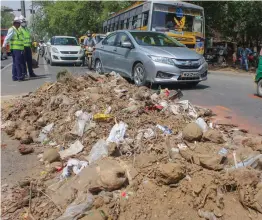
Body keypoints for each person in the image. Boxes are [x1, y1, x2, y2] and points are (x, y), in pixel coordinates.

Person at [2, 17, 25, 81]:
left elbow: (20, 40)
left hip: (18, 49)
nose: (20, 24)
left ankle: (14, 77)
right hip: (16, 49)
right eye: (19, 23)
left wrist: (22, 49)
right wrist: (4, 45)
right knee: (18, 63)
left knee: (15, 63)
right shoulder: (12, 29)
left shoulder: (17, 30)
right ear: (15, 23)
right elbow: (7, 38)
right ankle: (19, 77)